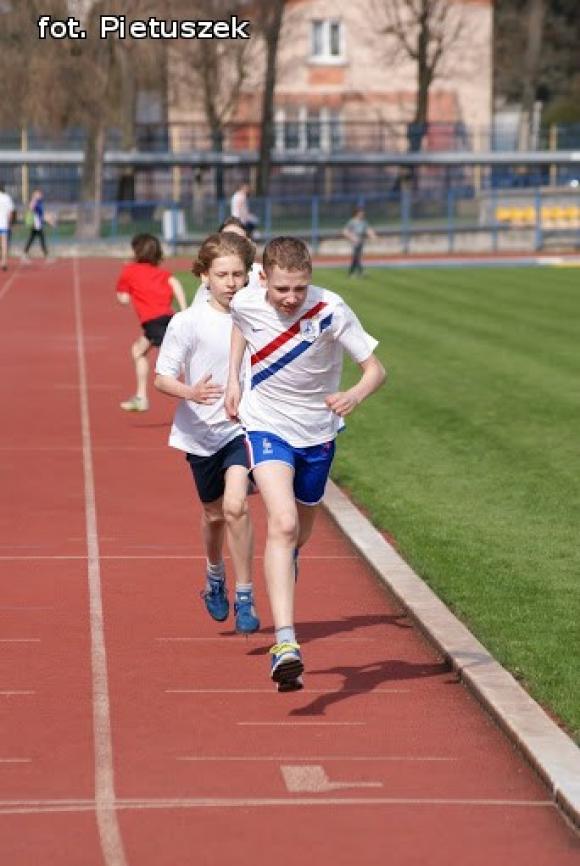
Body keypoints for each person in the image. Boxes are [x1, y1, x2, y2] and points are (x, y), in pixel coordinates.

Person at [225, 236, 386, 691]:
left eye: (298, 289)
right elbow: (240, 324)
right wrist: (234, 380)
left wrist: (354, 394)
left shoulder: (332, 309)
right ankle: (286, 643)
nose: (290, 299)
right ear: (265, 280)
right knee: (282, 520)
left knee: (299, 533)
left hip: (318, 432)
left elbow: (376, 370)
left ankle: (286, 561)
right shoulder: (247, 301)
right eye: (281, 290)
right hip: (266, 423)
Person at [154, 232, 260, 634]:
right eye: (223, 275)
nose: (231, 283)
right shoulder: (188, 322)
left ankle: (245, 595)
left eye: (238, 274)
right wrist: (191, 391)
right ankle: (215, 575)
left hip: (243, 428)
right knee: (214, 514)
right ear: (204, 277)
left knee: (237, 505)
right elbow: (163, 379)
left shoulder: (258, 316)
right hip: (201, 433)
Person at [116, 233, 186, 412]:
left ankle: (207, 396)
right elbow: (175, 283)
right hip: (167, 319)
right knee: (138, 351)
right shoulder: (162, 273)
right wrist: (185, 309)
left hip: (153, 322)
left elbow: (123, 299)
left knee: (183, 360)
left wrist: (126, 291)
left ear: (136, 252)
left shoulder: (129, 271)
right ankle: (141, 398)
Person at [191, 216, 263, 308]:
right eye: (226, 238)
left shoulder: (262, 274)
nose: (232, 244)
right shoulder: (208, 287)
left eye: (239, 240)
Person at [343, 207, 377, 277]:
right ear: (357, 214)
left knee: (356, 257)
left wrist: (373, 236)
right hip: (355, 241)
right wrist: (352, 238)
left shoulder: (364, 222)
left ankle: (351, 273)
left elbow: (368, 230)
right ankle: (360, 272)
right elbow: (345, 231)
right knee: (357, 256)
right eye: (361, 213)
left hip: (361, 240)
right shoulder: (352, 221)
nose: (362, 214)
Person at [22, 189, 50, 261]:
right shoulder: (35, 202)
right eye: (38, 194)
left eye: (40, 194)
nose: (40, 195)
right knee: (41, 239)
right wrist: (34, 199)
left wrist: (48, 220)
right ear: (34, 195)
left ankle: (25, 253)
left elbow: (41, 214)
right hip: (36, 224)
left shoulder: (40, 203)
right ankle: (46, 255)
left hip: (39, 223)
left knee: (32, 239)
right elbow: (30, 208)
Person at [0, 184, 15, 271]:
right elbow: (10, 212)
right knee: (4, 244)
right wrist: (10, 223)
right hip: (4, 224)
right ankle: (4, 262)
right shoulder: (7, 198)